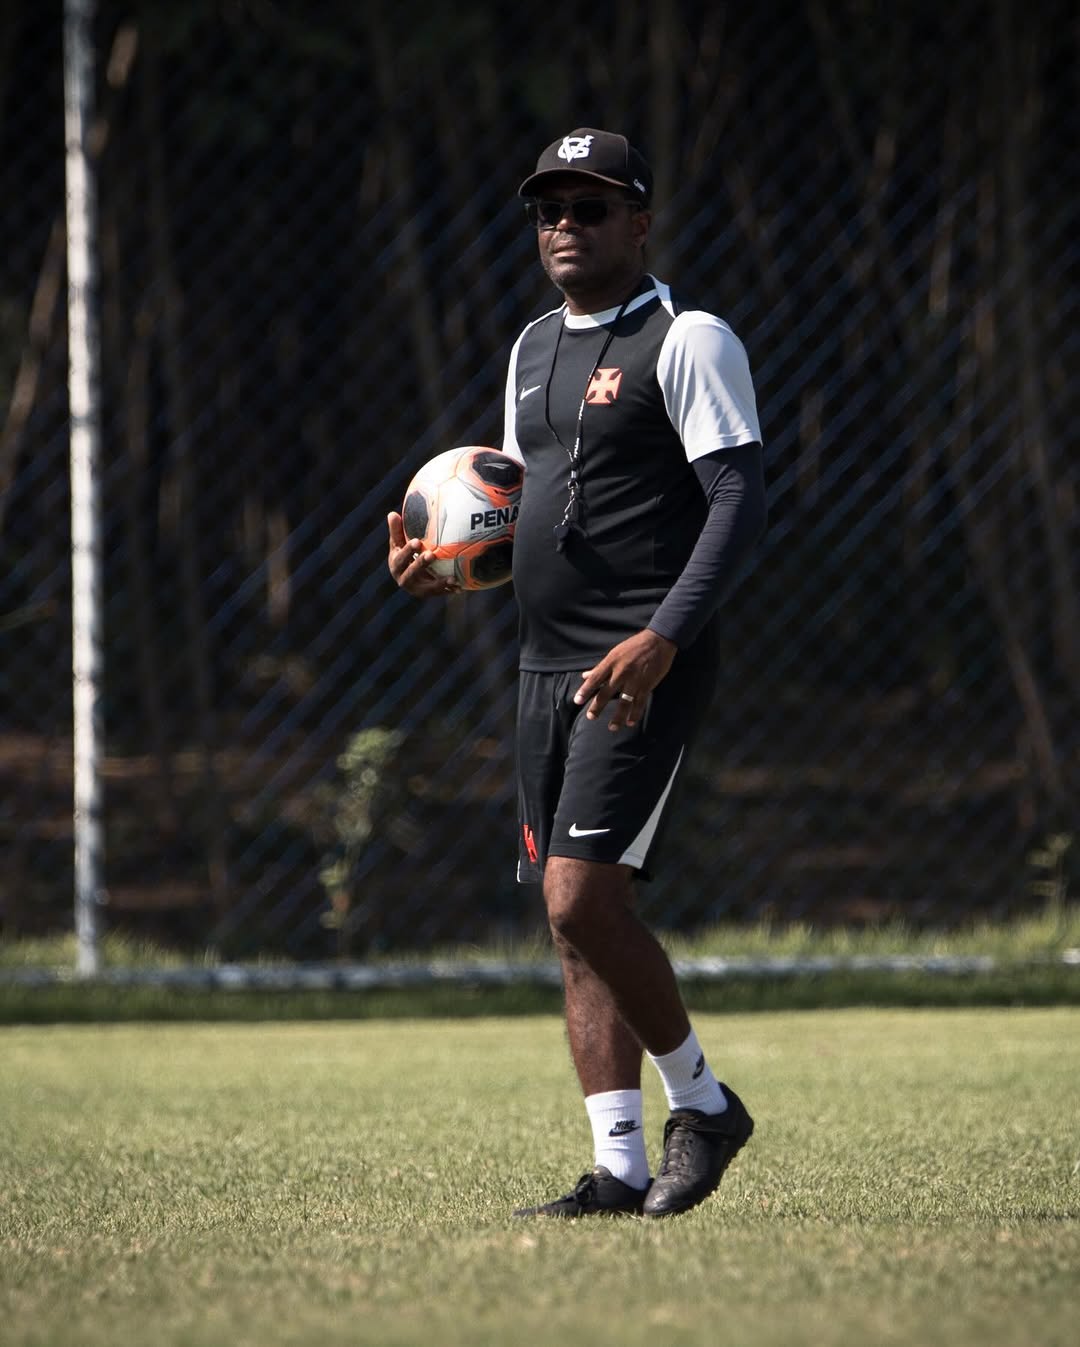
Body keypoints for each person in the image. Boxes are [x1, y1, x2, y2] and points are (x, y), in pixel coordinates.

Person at [387, 128, 767, 1219]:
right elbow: (528, 509)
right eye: (550, 208)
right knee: (570, 922)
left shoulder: (688, 339)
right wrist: (446, 569)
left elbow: (740, 501)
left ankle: (704, 1104)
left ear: (638, 223)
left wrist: (662, 638)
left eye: (591, 207)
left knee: (581, 894)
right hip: (543, 664)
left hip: (637, 662)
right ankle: (619, 1167)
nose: (566, 225)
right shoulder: (531, 348)